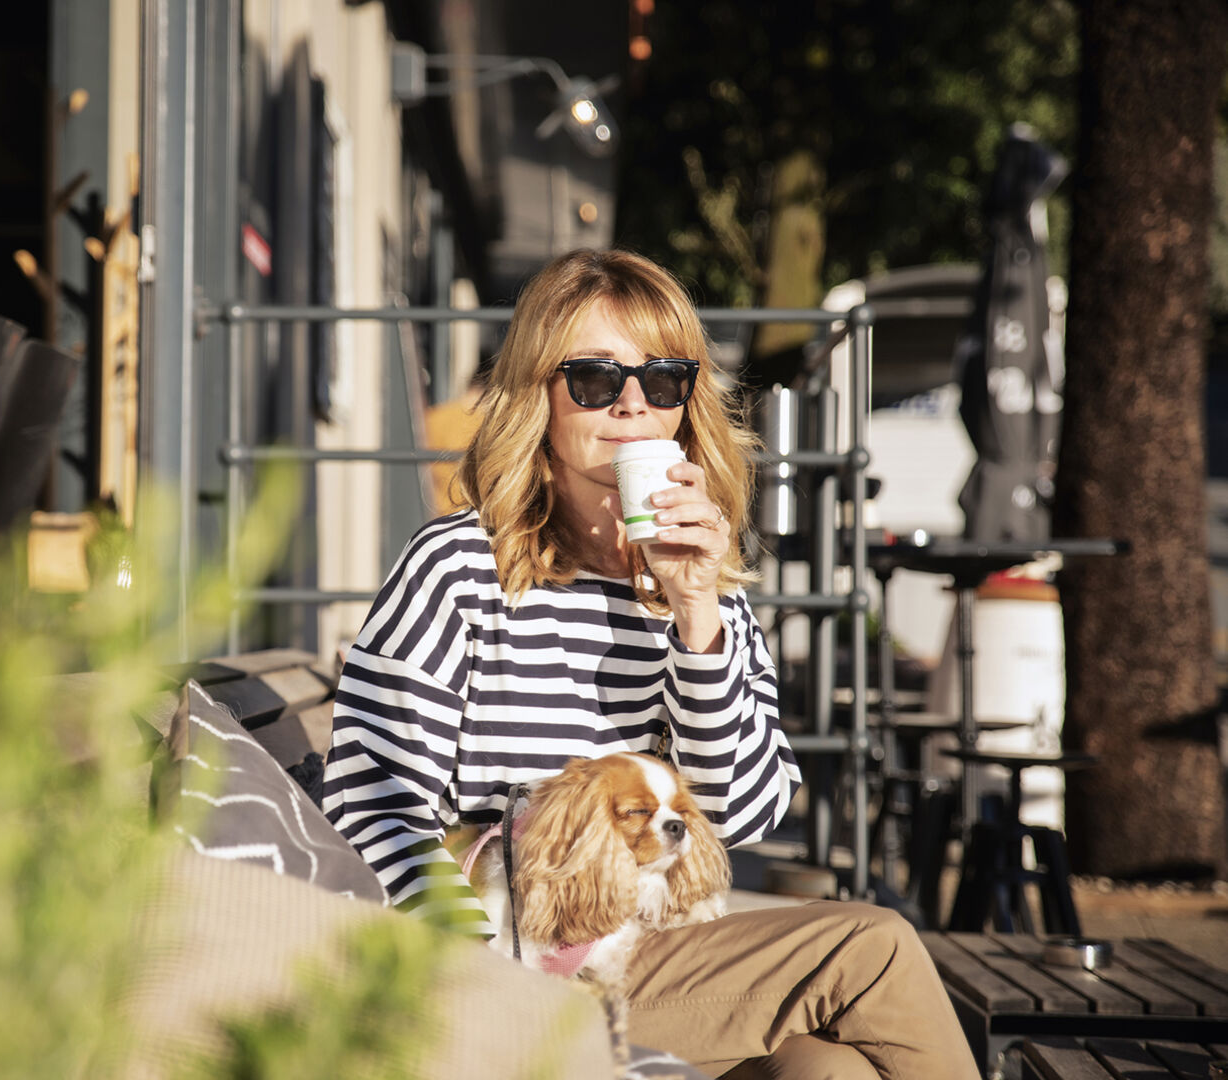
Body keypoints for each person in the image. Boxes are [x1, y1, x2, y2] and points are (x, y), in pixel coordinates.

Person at [322, 249, 979, 1080]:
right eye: (595, 379)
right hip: (526, 962)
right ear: (539, 397)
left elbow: (742, 815)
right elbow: (372, 799)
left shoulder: (707, 583)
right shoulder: (458, 566)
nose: (633, 403)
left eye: (663, 380)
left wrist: (698, 615)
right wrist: (482, 973)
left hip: (655, 943)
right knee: (874, 945)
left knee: (827, 1073)